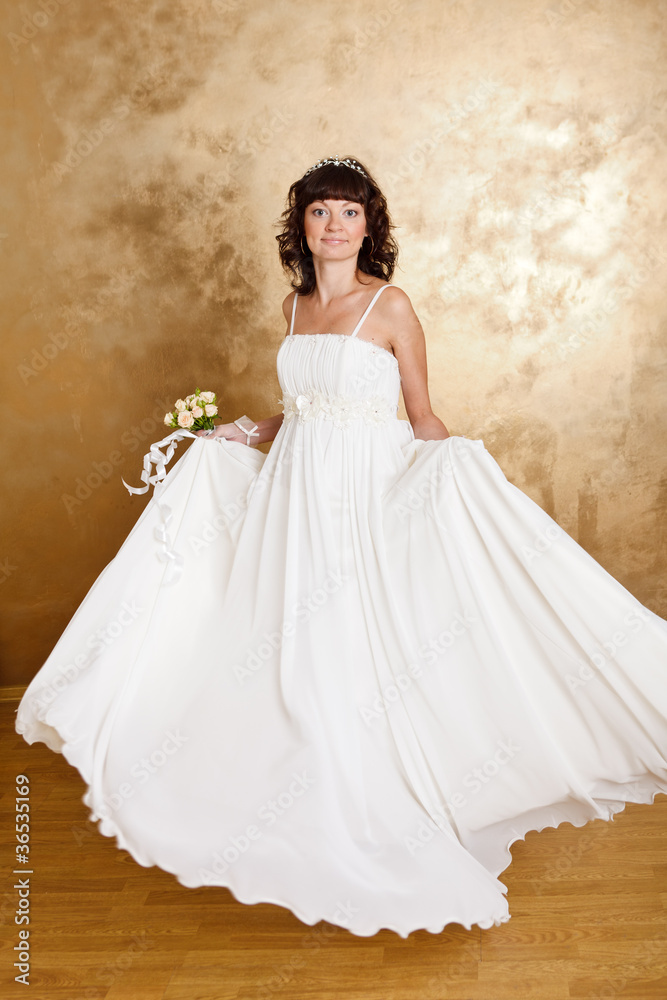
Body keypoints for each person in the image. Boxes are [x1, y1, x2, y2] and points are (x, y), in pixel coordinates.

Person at [15, 154, 667, 939]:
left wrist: (443, 474)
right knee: (289, 636)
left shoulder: (389, 306)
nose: (334, 225)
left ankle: (372, 786)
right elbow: (303, 411)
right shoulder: (292, 309)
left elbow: (421, 411)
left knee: (357, 633)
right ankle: (288, 776)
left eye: (349, 213)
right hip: (297, 494)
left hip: (361, 494)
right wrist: (240, 432)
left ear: (369, 228)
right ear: (302, 227)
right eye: (320, 212)